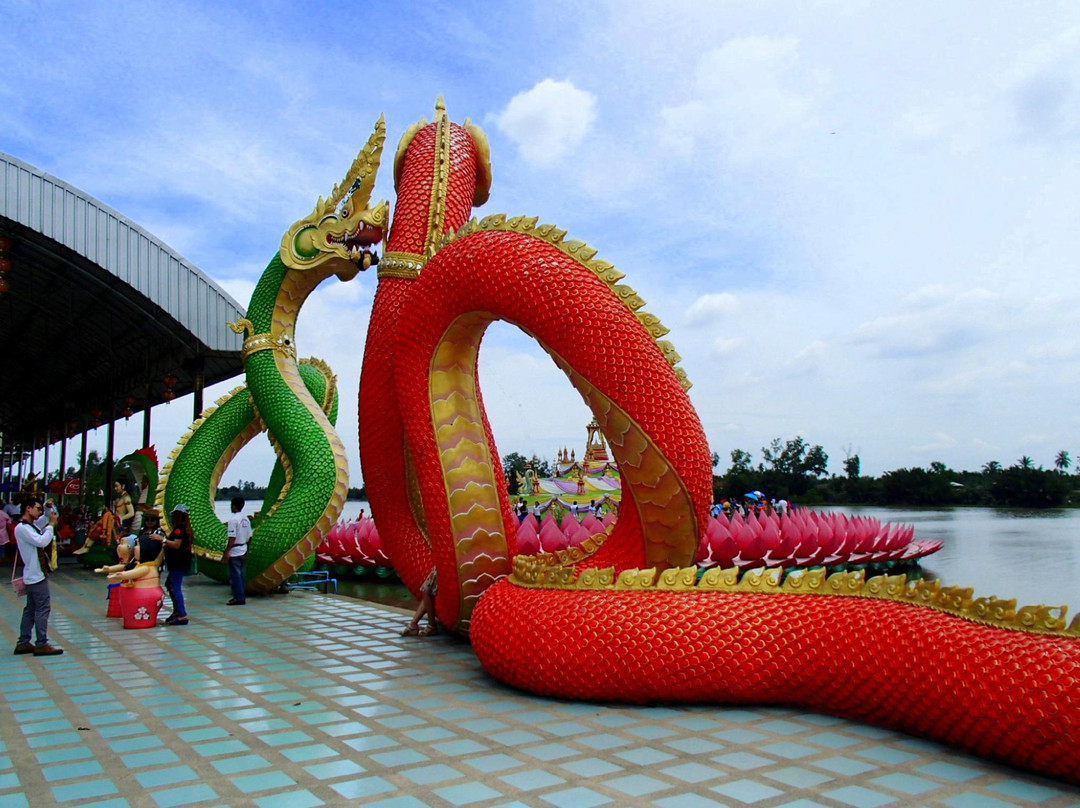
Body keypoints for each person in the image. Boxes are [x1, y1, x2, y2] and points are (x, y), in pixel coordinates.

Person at [12, 497, 63, 656]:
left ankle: (24, 642)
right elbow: (41, 541)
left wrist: (48, 510)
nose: (40, 512)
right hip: (36, 575)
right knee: (42, 608)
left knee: (31, 609)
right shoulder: (22, 528)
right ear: (28, 508)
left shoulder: (28, 526)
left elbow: (42, 522)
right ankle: (41, 643)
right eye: (37, 508)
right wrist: (52, 526)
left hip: (33, 574)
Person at [162, 504, 193, 625]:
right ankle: (177, 611)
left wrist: (162, 540)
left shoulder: (180, 529)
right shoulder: (186, 528)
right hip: (180, 562)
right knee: (170, 584)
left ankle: (181, 613)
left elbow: (176, 544)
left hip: (178, 562)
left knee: (175, 586)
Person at [224, 497, 251, 605]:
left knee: (235, 575)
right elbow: (250, 536)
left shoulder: (233, 520)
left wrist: (227, 551)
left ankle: (238, 597)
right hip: (243, 548)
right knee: (242, 575)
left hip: (235, 551)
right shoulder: (246, 519)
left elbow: (232, 538)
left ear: (234, 505)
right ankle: (241, 595)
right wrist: (247, 548)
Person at [401, 568, 438, 636]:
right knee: (426, 590)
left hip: (446, 566)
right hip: (440, 566)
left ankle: (430, 625)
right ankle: (414, 624)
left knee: (426, 591)